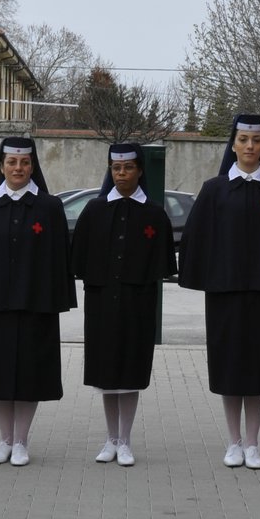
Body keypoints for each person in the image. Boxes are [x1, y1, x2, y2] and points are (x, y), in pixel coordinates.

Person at [178, 114, 260, 470]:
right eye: (243, 140)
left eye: (256, 140)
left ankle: (253, 443)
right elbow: (196, 238)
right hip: (226, 295)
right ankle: (232, 441)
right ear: (233, 144)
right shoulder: (215, 189)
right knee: (230, 368)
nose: (250, 147)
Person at [0, 136, 75, 466]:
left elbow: (61, 258)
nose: (18, 168)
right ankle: (4, 438)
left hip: (37, 305)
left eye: (24, 163)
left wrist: (59, 299)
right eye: (11, 163)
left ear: (32, 166)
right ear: (2, 166)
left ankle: (21, 440)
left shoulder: (49, 207)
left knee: (30, 373)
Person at [70, 143, 176, 467]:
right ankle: (110, 438)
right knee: (106, 375)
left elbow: (162, 264)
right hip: (101, 304)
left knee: (129, 373)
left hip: (137, 306)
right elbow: (79, 257)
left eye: (128, 168)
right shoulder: (94, 210)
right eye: (116, 169)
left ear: (140, 170)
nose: (121, 174)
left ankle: (126, 440)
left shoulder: (154, 214)